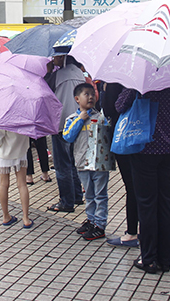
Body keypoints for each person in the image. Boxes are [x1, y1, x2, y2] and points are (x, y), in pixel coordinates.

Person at [116, 86, 170, 274]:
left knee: (147, 204)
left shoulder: (142, 81)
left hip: (145, 149)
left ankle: (148, 258)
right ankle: (165, 260)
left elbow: (119, 105)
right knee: (167, 202)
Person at [63, 82, 109, 241]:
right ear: (77, 98)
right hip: (82, 163)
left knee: (100, 194)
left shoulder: (101, 117)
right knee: (89, 194)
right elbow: (67, 136)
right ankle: (91, 220)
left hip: (99, 164)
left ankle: (100, 225)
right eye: (86, 94)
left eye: (92, 94)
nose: (90, 97)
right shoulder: (72, 118)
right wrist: (80, 120)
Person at [46, 55, 86, 213]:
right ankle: (76, 195)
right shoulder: (79, 73)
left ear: (62, 56)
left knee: (62, 165)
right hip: (78, 122)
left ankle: (66, 202)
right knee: (74, 162)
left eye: (55, 55)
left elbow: (44, 90)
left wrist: (48, 72)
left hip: (62, 123)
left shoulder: (59, 75)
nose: (53, 58)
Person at [103, 81, 139, 248]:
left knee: (132, 187)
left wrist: (107, 89)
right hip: (162, 143)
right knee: (161, 193)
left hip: (127, 137)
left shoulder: (122, 79)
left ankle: (132, 232)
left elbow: (112, 108)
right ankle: (152, 234)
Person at [0, 128, 33, 229]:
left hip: (4, 153)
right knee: (22, 184)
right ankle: (26, 218)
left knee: (4, 184)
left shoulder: (4, 117)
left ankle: (6, 216)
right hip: (21, 152)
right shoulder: (26, 116)